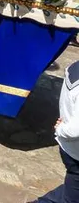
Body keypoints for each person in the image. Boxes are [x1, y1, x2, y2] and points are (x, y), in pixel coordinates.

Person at [36, 61, 79, 203]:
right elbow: (75, 130)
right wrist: (61, 129)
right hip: (75, 152)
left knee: (72, 188)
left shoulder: (75, 68)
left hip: (70, 147)